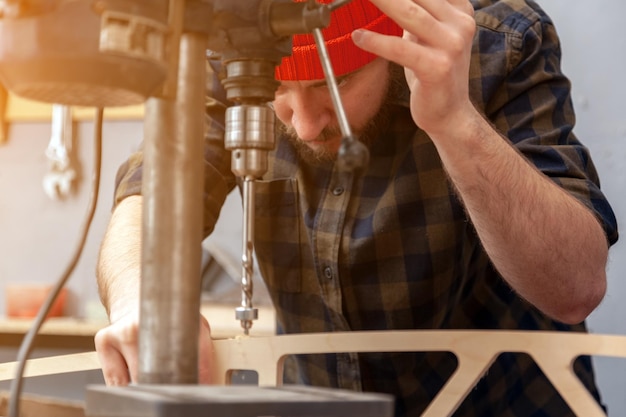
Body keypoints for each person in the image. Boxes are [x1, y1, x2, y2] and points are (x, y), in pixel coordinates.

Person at [94, 0, 619, 415]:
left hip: (507, 405)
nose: (302, 125)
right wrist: (141, 301)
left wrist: (455, 121)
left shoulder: (497, 42)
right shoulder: (230, 53)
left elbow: (575, 288)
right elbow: (145, 195)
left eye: (335, 84)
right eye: (279, 91)